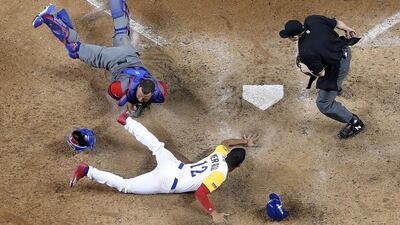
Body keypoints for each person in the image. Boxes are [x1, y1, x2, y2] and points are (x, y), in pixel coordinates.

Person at [69, 112, 258, 224]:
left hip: (174, 165)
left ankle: (127, 121)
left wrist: (244, 142)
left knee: (157, 147)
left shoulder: (220, 154)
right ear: (238, 166)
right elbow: (200, 193)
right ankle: (87, 171)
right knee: (126, 186)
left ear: (228, 154)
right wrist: (213, 213)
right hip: (166, 181)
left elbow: (226, 142)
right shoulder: (221, 174)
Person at [32, 1, 167, 117]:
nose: (141, 98)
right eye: (140, 95)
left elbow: (160, 86)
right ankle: (50, 16)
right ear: (138, 86)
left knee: (122, 29)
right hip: (113, 58)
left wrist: (137, 100)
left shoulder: (159, 92)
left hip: (129, 53)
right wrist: (129, 100)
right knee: (75, 49)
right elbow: (111, 90)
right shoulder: (121, 88)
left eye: (145, 98)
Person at [279, 15, 364, 139]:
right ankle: (337, 88)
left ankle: (355, 123)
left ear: (296, 36)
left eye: (289, 36)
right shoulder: (313, 20)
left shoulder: (306, 51)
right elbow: (337, 22)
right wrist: (347, 28)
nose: (288, 38)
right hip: (344, 50)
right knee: (333, 78)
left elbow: (322, 73)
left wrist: (306, 69)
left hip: (338, 67)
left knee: (324, 104)